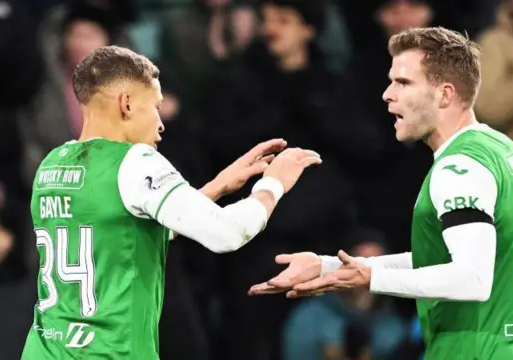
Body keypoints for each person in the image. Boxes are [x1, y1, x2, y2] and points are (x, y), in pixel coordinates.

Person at [249, 27, 513, 359]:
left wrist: (370, 277)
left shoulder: (458, 168)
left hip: (476, 351)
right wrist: (331, 267)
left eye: (404, 83)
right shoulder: (499, 147)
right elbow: (449, 259)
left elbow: (472, 278)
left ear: (445, 95)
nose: (387, 94)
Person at [20, 45, 321, 360]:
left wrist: (218, 186)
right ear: (127, 104)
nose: (161, 123)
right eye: (156, 107)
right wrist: (273, 184)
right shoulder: (135, 160)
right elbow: (228, 233)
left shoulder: (51, 165)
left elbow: (132, 234)